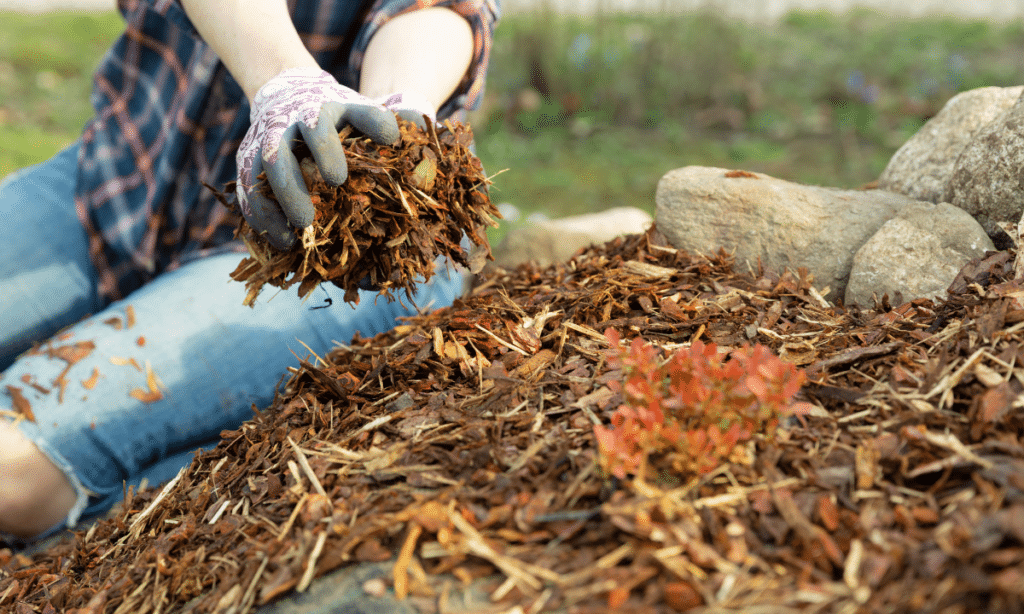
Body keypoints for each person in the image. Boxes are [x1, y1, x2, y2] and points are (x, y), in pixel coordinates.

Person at [0, 0, 498, 543]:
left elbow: (438, 9)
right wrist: (286, 83)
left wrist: (401, 102)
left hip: (324, 252)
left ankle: (188, 487)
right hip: (123, 177)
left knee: (12, 474)